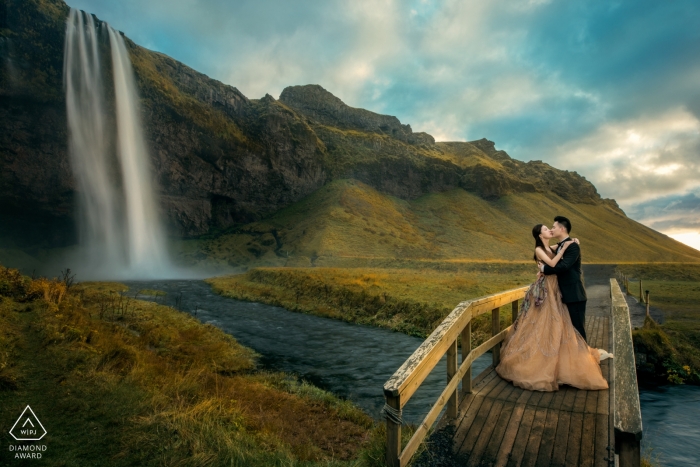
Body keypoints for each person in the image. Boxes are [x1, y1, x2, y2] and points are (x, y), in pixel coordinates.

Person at [495, 223, 610, 391]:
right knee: (543, 320)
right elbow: (553, 264)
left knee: (559, 320)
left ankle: (562, 362)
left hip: (555, 287)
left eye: (550, 227)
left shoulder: (550, 246)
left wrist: (572, 242)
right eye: (545, 229)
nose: (549, 230)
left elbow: (560, 245)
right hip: (547, 287)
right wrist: (561, 253)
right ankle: (538, 363)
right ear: (540, 235)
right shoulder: (539, 250)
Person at [540, 216, 588, 341]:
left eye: (554, 227)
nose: (552, 229)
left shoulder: (573, 247)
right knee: (569, 331)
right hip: (564, 295)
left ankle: (583, 359)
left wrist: (544, 270)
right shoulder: (561, 246)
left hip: (574, 295)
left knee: (578, 330)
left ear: (562, 229)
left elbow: (564, 266)